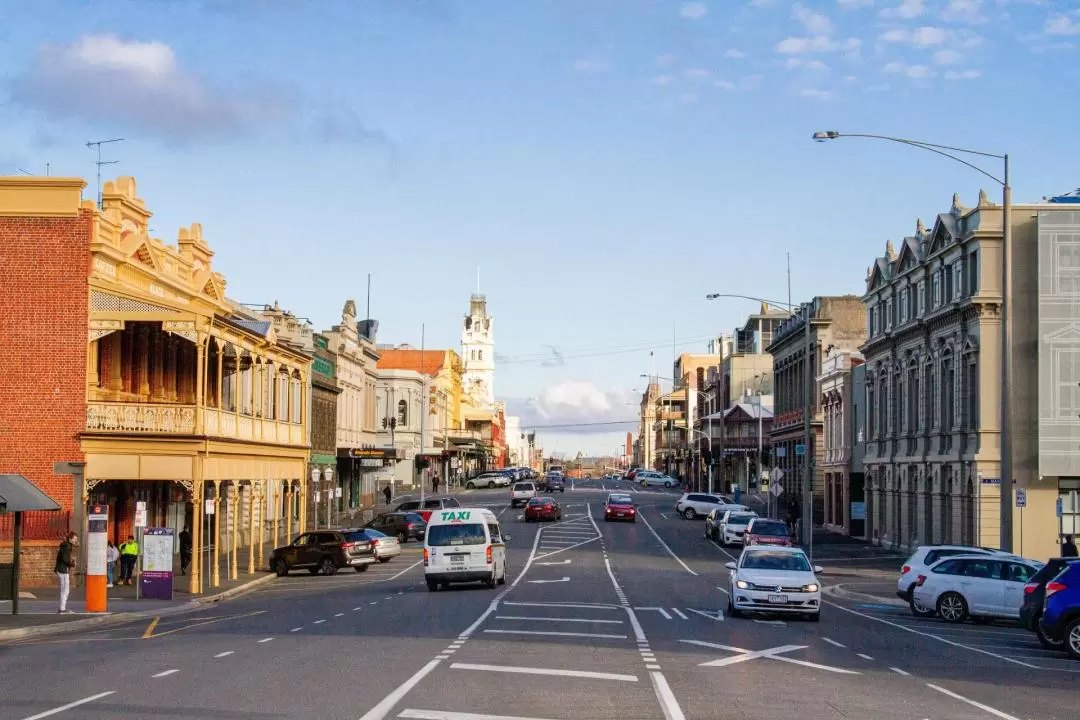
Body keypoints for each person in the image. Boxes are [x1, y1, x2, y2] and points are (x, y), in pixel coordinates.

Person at [55, 531, 78, 613]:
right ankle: (62, 609)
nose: (76, 540)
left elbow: (64, 558)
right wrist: (72, 563)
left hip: (62, 569)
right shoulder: (66, 546)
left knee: (64, 589)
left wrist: (70, 561)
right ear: (70, 539)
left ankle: (62, 608)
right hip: (63, 570)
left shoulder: (67, 545)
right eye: (74, 538)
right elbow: (65, 559)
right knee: (65, 590)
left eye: (76, 539)